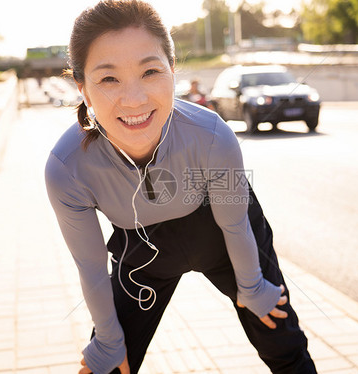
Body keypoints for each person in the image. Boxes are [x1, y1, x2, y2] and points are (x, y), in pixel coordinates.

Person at [45, 1, 318, 373]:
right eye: (109, 79)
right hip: (144, 249)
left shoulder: (213, 136)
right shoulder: (67, 168)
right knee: (106, 366)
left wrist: (253, 288)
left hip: (223, 234)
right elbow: (90, 267)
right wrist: (108, 341)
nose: (134, 99)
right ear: (83, 88)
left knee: (281, 338)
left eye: (150, 72)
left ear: (173, 71)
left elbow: (235, 225)